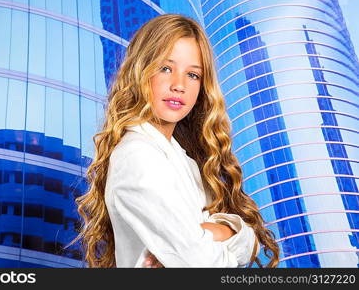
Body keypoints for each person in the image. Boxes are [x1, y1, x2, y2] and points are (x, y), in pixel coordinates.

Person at [70, 14, 280, 268]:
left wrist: (220, 233)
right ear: (140, 72)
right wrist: (225, 232)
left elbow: (251, 245)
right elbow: (204, 264)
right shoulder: (138, 156)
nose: (179, 85)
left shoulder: (183, 159)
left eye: (193, 75)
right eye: (165, 68)